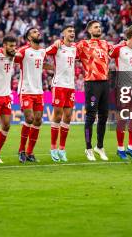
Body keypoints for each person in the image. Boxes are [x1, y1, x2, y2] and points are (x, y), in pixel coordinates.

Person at [75, 21, 113, 161]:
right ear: (90, 30)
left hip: (104, 82)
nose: (99, 29)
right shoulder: (83, 44)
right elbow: (69, 49)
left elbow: (119, 51)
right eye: (96, 27)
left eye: (99, 27)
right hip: (92, 83)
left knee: (104, 116)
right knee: (91, 116)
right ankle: (88, 148)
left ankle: (100, 146)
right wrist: (58, 43)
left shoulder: (105, 44)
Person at [15, 27, 51, 163]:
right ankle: (21, 150)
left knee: (38, 120)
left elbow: (42, 65)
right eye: (35, 32)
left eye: (38, 31)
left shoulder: (42, 52)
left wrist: (56, 67)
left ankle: (30, 152)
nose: (38, 33)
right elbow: (13, 57)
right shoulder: (23, 51)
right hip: (26, 90)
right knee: (29, 118)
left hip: (38, 91)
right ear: (29, 38)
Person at [109, 25, 132, 160]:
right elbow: (107, 57)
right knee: (122, 119)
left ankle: (131, 147)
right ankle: (120, 148)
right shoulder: (119, 48)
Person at [45, 25, 77, 162]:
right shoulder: (57, 46)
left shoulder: (76, 48)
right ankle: (53, 148)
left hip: (70, 86)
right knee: (57, 116)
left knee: (68, 117)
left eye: (73, 31)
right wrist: (50, 67)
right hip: (58, 85)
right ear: (63, 33)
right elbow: (42, 54)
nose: (72, 33)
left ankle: (62, 149)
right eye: (69, 31)